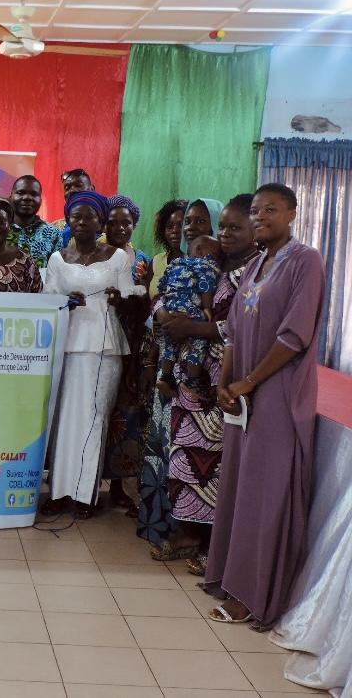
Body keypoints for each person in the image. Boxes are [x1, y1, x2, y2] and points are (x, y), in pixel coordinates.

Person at [204, 184, 325, 630]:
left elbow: (294, 336)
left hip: (277, 392)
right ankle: (229, 578)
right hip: (242, 393)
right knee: (237, 485)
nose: (260, 218)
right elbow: (234, 331)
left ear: (292, 214)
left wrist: (250, 382)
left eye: (270, 210)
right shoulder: (254, 264)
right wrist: (225, 382)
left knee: (264, 492)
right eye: (255, 211)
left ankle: (255, 596)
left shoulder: (305, 261)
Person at [153, 194, 259, 576]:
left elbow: (247, 326)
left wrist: (194, 327)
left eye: (234, 227)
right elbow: (168, 295)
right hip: (187, 378)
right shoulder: (207, 261)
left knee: (216, 464)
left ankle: (215, 542)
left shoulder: (255, 272)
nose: (226, 234)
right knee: (184, 456)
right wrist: (164, 311)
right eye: (225, 227)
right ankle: (186, 532)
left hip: (223, 382)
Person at [40, 190, 145, 519]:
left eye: (89, 217)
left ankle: (86, 495)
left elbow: (134, 293)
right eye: (76, 217)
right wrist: (63, 300)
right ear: (68, 221)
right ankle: (58, 491)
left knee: (93, 418)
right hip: (67, 342)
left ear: (101, 221)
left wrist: (120, 297)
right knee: (63, 418)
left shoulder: (117, 258)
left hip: (104, 345)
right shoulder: (57, 259)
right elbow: (46, 299)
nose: (82, 222)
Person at [141, 196, 222, 559]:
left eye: (200, 221)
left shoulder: (228, 269)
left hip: (211, 378)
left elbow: (226, 319)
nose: (190, 227)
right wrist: (161, 315)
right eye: (188, 220)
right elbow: (157, 303)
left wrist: (191, 324)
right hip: (173, 373)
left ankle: (206, 542)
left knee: (205, 465)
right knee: (173, 457)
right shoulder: (174, 264)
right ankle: (169, 528)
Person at [136, 199, 190, 547]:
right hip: (155, 353)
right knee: (154, 439)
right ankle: (153, 520)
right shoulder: (156, 263)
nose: (177, 231)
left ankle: (181, 524)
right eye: (170, 225)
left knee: (179, 444)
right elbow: (153, 308)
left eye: (183, 224)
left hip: (187, 362)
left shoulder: (203, 263)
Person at [102, 194, 152, 513]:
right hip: (102, 338)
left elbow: (147, 303)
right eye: (113, 222)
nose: (120, 228)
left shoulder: (143, 258)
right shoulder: (96, 255)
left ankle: (120, 485)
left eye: (126, 223)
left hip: (133, 345)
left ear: (134, 225)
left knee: (127, 415)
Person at [155, 235, 222, 395]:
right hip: (190, 311)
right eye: (215, 255)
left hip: (170, 308)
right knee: (199, 342)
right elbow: (206, 286)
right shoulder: (206, 264)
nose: (216, 259)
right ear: (200, 251)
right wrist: (206, 308)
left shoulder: (175, 263)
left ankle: (165, 375)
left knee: (170, 344)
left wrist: (166, 302)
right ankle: (193, 380)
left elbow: (161, 285)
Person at [0, 176, 61, 270]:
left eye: (34, 194)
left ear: (40, 201)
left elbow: (57, 273)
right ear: (10, 197)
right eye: (20, 193)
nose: (27, 198)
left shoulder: (53, 233)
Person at [52, 168, 96, 245]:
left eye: (78, 185)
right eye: (67, 188)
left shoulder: (107, 226)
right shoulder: (54, 229)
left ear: (92, 189)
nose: (72, 190)